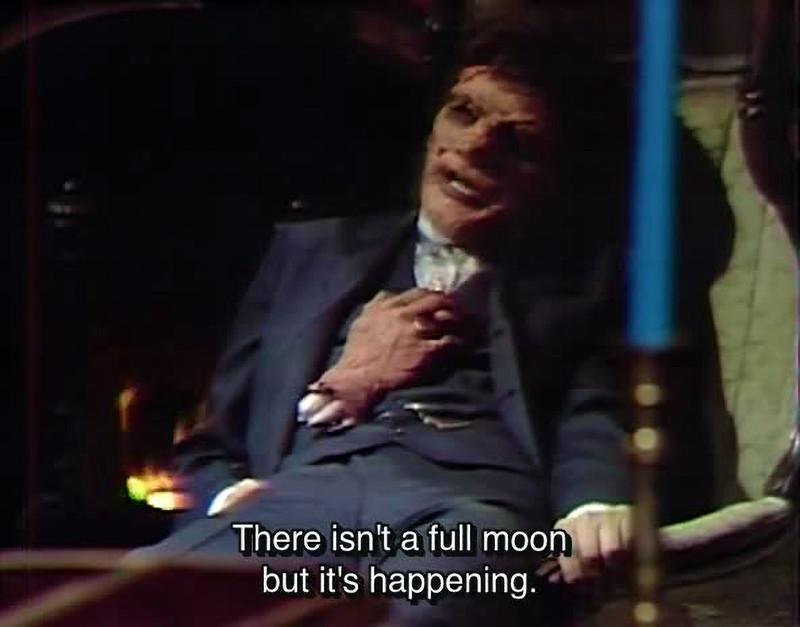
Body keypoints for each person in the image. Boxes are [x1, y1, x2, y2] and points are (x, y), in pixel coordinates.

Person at [134, 20, 634, 626]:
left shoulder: (582, 283)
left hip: (467, 512)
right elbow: (210, 445)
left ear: (552, 177)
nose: (474, 147)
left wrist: (593, 505)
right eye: (464, 113)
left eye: (517, 141)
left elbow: (593, 412)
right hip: (297, 507)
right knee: (124, 602)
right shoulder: (309, 253)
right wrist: (231, 495)